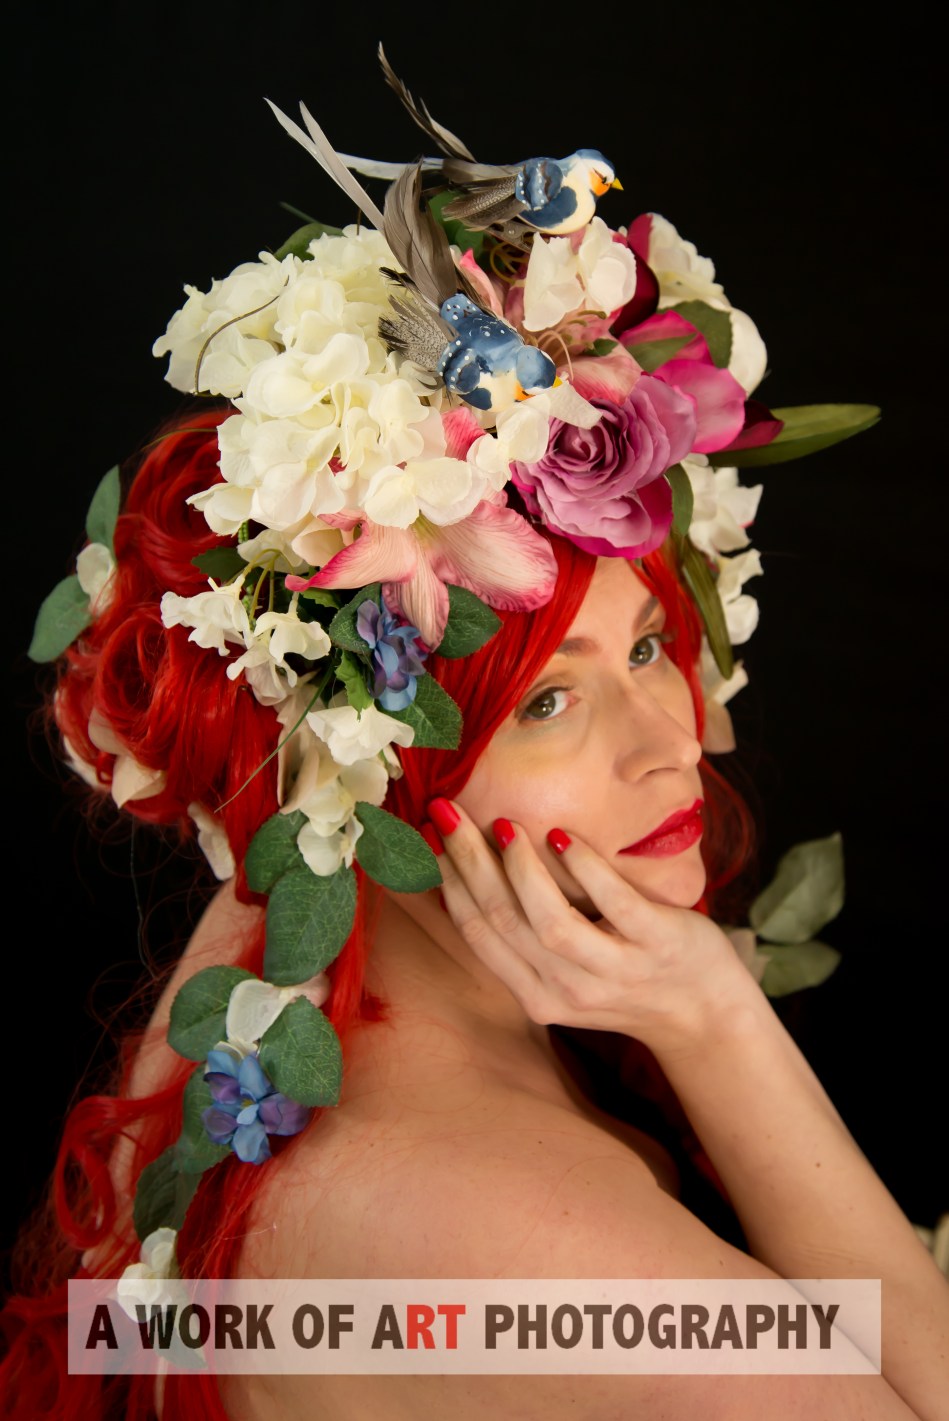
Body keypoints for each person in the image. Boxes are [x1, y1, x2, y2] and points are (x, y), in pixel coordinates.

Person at [3, 60, 947, 1421]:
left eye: (645, 649)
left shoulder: (266, 953)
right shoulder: (522, 1235)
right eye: (547, 701)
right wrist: (715, 1022)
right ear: (363, 767)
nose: (671, 745)